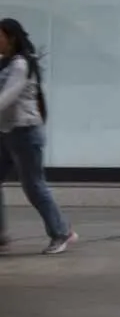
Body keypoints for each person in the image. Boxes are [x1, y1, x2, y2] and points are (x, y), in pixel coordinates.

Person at [0, 18, 75, 255]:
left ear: (11, 38)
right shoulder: (4, 63)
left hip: (25, 133)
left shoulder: (21, 65)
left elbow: (7, 97)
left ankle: (61, 233)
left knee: (34, 185)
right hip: (6, 132)